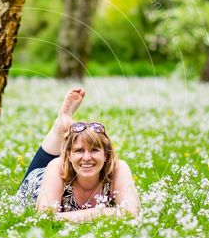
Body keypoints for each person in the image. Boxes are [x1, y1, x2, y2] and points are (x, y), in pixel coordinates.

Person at [16, 88, 140, 222]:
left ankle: (63, 124)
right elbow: (46, 217)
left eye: (94, 150)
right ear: (67, 155)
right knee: (39, 175)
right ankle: (59, 126)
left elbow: (132, 212)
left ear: (106, 155)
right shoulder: (56, 167)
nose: (87, 157)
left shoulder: (119, 168)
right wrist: (103, 212)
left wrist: (71, 216)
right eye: (79, 150)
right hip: (39, 183)